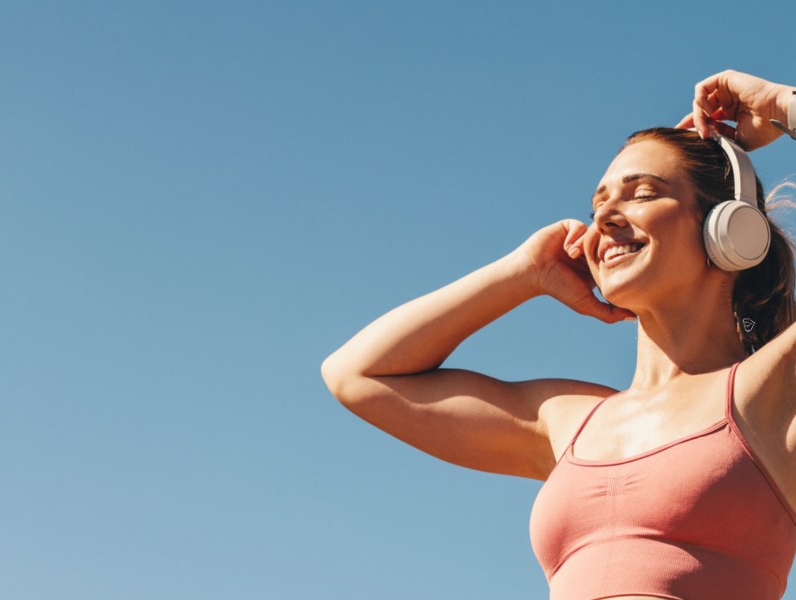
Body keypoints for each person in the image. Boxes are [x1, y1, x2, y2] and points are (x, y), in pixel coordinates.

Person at [321, 71, 796, 599]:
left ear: (728, 229)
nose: (607, 217)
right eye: (597, 206)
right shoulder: (568, 419)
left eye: (642, 194)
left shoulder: (774, 390)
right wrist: (522, 272)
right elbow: (357, 375)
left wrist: (781, 103)